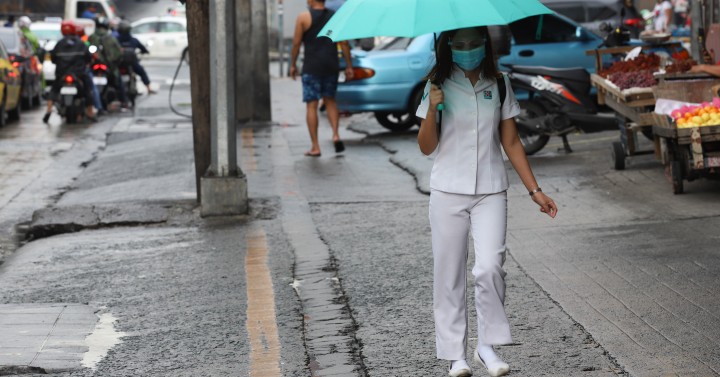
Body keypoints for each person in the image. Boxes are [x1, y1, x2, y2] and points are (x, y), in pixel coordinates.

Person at [416, 26, 558, 377]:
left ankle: (486, 347)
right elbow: (426, 147)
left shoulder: (500, 83)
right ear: (448, 45)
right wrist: (432, 109)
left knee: (490, 267)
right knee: (449, 274)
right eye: (459, 44)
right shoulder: (436, 84)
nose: (467, 50)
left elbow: (511, 142)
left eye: (473, 44)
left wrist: (534, 190)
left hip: (491, 189)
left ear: (485, 45)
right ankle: (455, 355)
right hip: (448, 190)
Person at [290, 0, 354, 157]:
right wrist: (349, 66)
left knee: (312, 105)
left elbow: (296, 44)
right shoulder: (334, 17)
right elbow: (344, 43)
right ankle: (336, 135)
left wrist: (292, 64)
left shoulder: (303, 17)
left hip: (312, 67)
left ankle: (315, 146)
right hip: (331, 65)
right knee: (330, 100)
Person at [43, 20, 96, 124]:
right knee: (88, 89)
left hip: (62, 74)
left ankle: (48, 110)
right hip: (79, 74)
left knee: (54, 90)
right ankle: (90, 111)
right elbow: (88, 57)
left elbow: (53, 58)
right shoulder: (81, 43)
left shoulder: (59, 43)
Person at [89, 16, 128, 108]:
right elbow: (118, 53)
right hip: (110, 67)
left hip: (96, 66)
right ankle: (124, 101)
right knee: (119, 83)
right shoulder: (111, 37)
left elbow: (86, 51)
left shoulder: (91, 37)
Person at [116, 21, 156, 95]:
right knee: (142, 72)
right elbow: (143, 48)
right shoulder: (133, 40)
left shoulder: (116, 40)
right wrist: (145, 51)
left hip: (119, 63)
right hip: (133, 62)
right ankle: (149, 88)